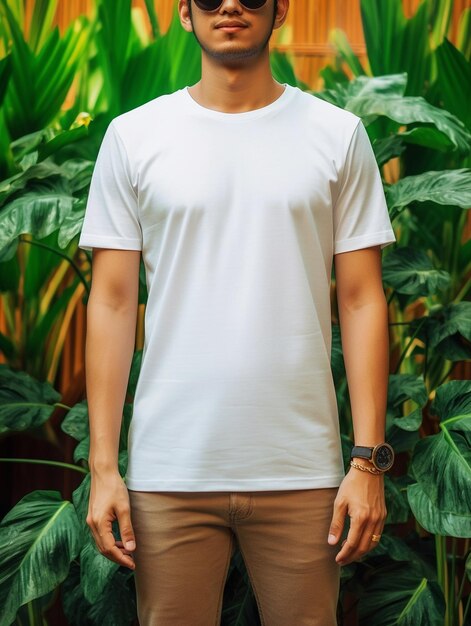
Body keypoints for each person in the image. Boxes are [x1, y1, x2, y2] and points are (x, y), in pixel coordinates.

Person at [79, 0, 397, 624]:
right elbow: (113, 303)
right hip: (170, 468)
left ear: (280, 11)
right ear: (183, 13)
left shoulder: (336, 135)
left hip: (303, 470)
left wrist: (366, 462)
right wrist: (104, 467)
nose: (230, 6)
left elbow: (361, 300)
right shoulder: (134, 136)